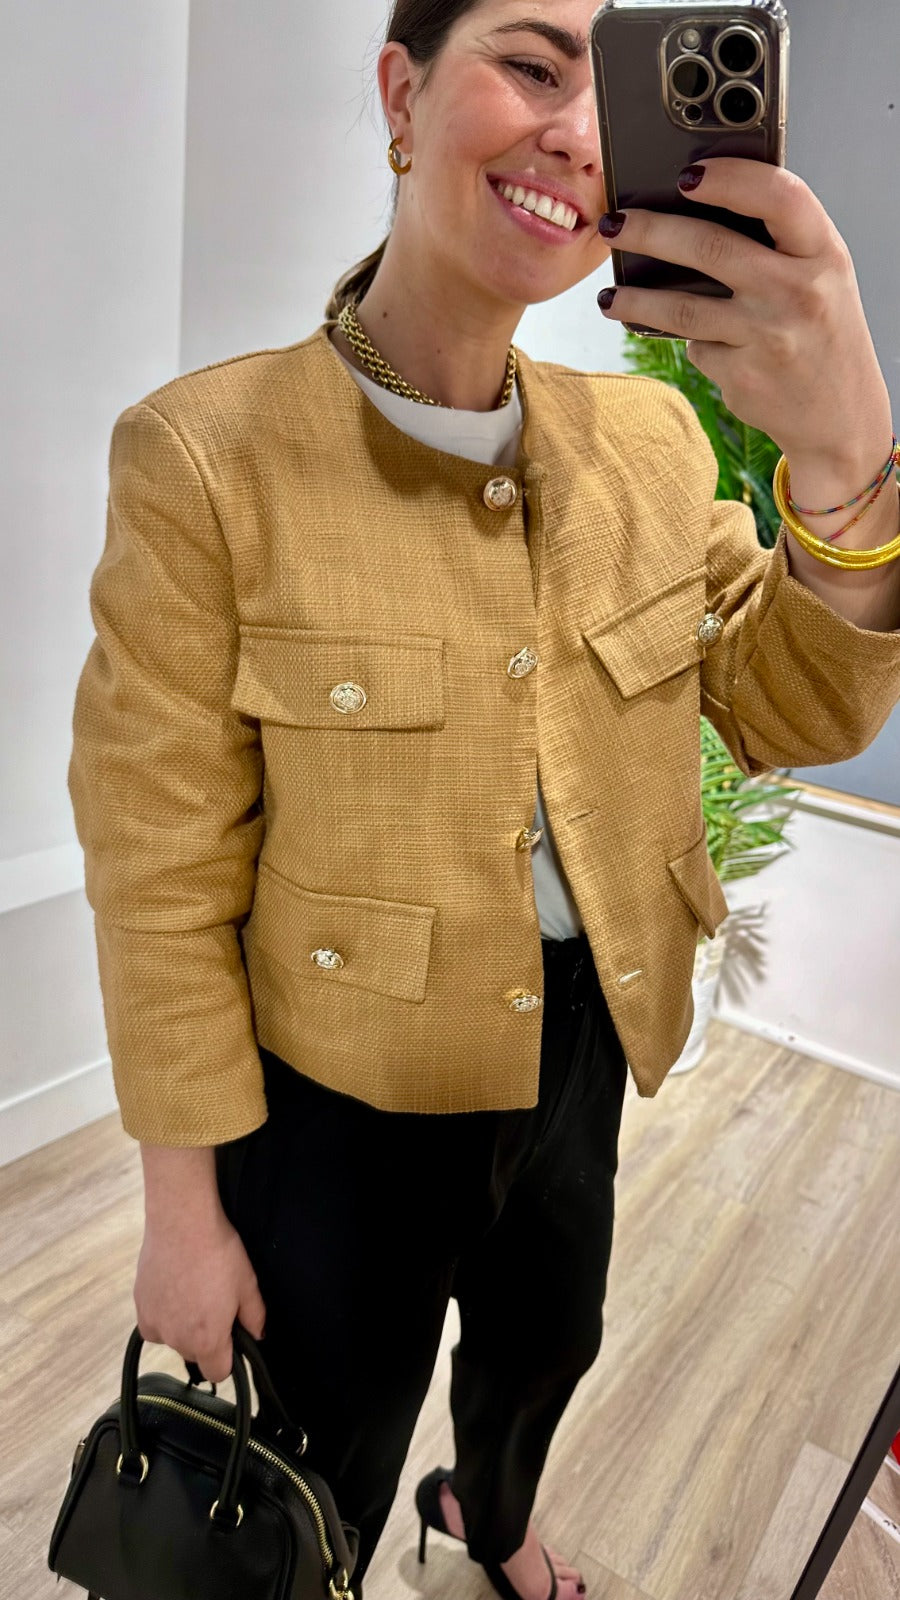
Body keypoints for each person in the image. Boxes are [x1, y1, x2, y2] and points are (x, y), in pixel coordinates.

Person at [67, 4, 900, 1600]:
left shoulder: (650, 442)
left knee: (545, 1341)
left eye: (612, 94)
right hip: (339, 1092)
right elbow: (158, 866)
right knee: (323, 1434)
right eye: (530, 64)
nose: (579, 133)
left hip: (584, 1039)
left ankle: (491, 1513)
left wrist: (846, 451)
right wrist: (181, 1211)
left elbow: (794, 703)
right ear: (402, 92)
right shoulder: (207, 458)